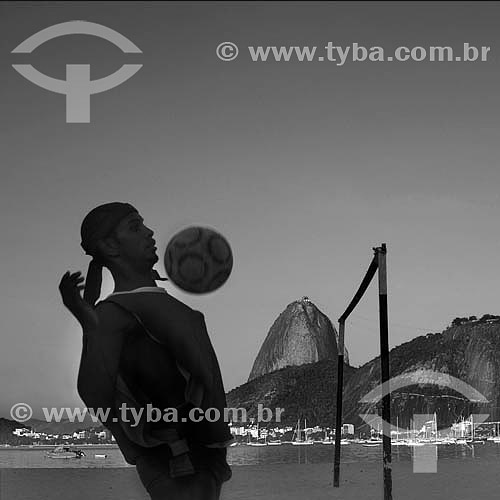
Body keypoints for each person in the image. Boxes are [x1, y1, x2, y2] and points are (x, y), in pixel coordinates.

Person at [58, 202, 232, 500]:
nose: (150, 232)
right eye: (135, 227)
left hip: (203, 454)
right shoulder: (115, 313)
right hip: (177, 460)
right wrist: (143, 446)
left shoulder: (164, 308)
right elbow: (93, 392)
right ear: (110, 245)